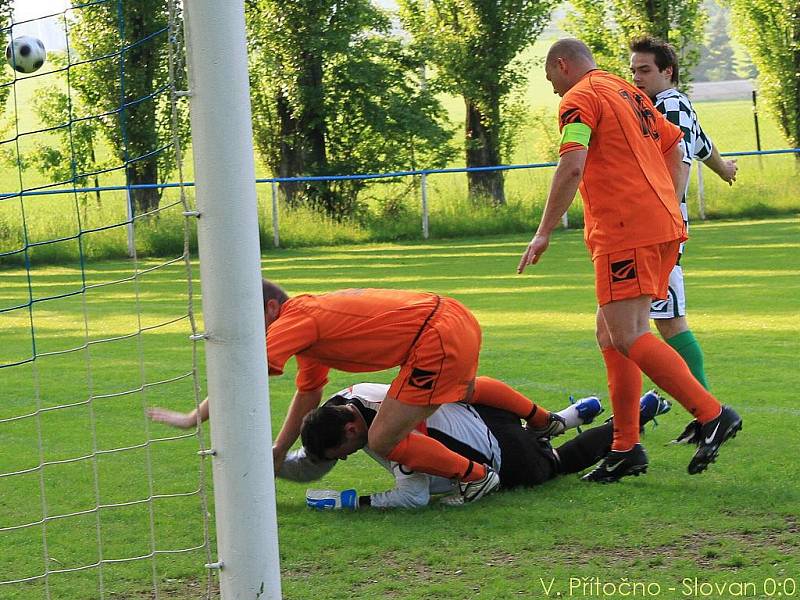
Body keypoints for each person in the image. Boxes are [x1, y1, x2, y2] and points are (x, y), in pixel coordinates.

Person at [516, 38, 742, 482]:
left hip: (626, 231)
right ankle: (625, 447)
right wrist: (668, 202)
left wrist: (543, 231)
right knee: (610, 332)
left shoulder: (580, 99)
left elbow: (572, 165)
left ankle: (712, 414)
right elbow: (676, 145)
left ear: (563, 65)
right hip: (658, 227)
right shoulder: (627, 90)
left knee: (631, 334)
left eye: (552, 81)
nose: (555, 92)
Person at [148, 281, 569, 503]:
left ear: (272, 309)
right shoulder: (310, 324)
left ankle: (477, 479)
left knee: (383, 437)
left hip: (433, 336)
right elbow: (308, 396)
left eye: (251, 322)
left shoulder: (295, 320)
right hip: (452, 317)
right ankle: (542, 419)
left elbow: (244, 375)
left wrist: (193, 417)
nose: (250, 334)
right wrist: (280, 449)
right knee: (463, 391)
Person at [290, 381, 668, 509]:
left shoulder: (385, 435)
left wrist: (352, 501)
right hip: (482, 410)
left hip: (495, 451)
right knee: (527, 428)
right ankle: (565, 417)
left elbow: (414, 496)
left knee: (554, 464)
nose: (342, 460)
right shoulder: (350, 397)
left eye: (341, 453)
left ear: (352, 429)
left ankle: (632, 418)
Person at [629, 36, 738, 391]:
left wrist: (665, 214)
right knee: (635, 321)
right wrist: (724, 169)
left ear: (667, 71)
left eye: (644, 70)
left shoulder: (669, 104)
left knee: (663, 321)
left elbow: (680, 161)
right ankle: (702, 410)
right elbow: (703, 144)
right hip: (652, 225)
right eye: (633, 71)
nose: (636, 78)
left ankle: (709, 411)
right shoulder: (664, 106)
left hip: (660, 228)